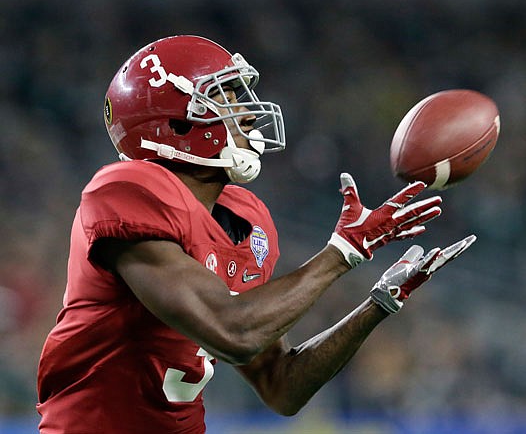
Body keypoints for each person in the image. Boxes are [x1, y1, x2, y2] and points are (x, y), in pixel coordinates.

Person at [36, 35, 475, 433]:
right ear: (175, 123)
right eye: (224, 96)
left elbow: (280, 384)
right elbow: (233, 334)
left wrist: (379, 302)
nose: (246, 110)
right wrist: (341, 252)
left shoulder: (245, 218)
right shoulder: (126, 190)